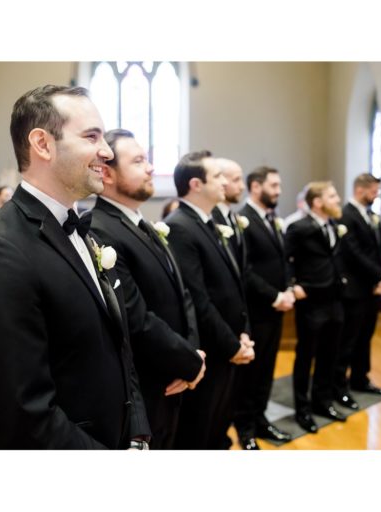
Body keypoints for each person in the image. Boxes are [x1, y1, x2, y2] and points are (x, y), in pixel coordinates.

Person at [0, 84, 149, 449]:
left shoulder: (81, 230)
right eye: (91, 137)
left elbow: (119, 344)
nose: (106, 151)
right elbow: (22, 415)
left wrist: (136, 429)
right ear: (42, 144)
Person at [89, 128, 207, 450]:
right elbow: (134, 316)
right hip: (145, 383)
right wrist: (189, 362)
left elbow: (183, 295)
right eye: (139, 160)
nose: (151, 167)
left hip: (174, 374)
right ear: (107, 173)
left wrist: (191, 355)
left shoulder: (142, 223)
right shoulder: (100, 229)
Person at [163, 150, 255, 449]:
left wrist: (242, 334)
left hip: (228, 340)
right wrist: (231, 346)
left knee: (218, 424)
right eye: (217, 176)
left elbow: (232, 285)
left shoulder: (208, 221)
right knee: (199, 430)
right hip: (213, 348)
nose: (225, 183)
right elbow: (198, 298)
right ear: (196, 184)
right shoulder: (180, 226)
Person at [233, 165, 294, 448]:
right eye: (273, 185)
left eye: (279, 185)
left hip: (275, 309)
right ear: (255, 187)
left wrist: (289, 288)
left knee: (267, 370)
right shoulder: (241, 220)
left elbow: (280, 262)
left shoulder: (272, 219)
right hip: (256, 309)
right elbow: (244, 270)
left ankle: (261, 419)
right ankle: (245, 429)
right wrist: (274, 296)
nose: (278, 191)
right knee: (250, 374)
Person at [285, 181, 348, 432]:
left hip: (334, 298)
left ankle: (322, 401)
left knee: (329, 354)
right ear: (318, 202)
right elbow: (286, 258)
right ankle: (303, 409)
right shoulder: (298, 227)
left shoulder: (333, 225)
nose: (338, 199)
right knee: (306, 356)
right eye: (332, 196)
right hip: (311, 300)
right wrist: (293, 284)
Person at [337, 173, 381, 410]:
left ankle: (360, 378)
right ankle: (339, 386)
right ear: (360, 190)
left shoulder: (372, 215)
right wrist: (379, 275)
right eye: (373, 191)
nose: (376, 194)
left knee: (365, 336)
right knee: (348, 339)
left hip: (373, 288)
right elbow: (352, 252)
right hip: (354, 288)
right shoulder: (345, 215)